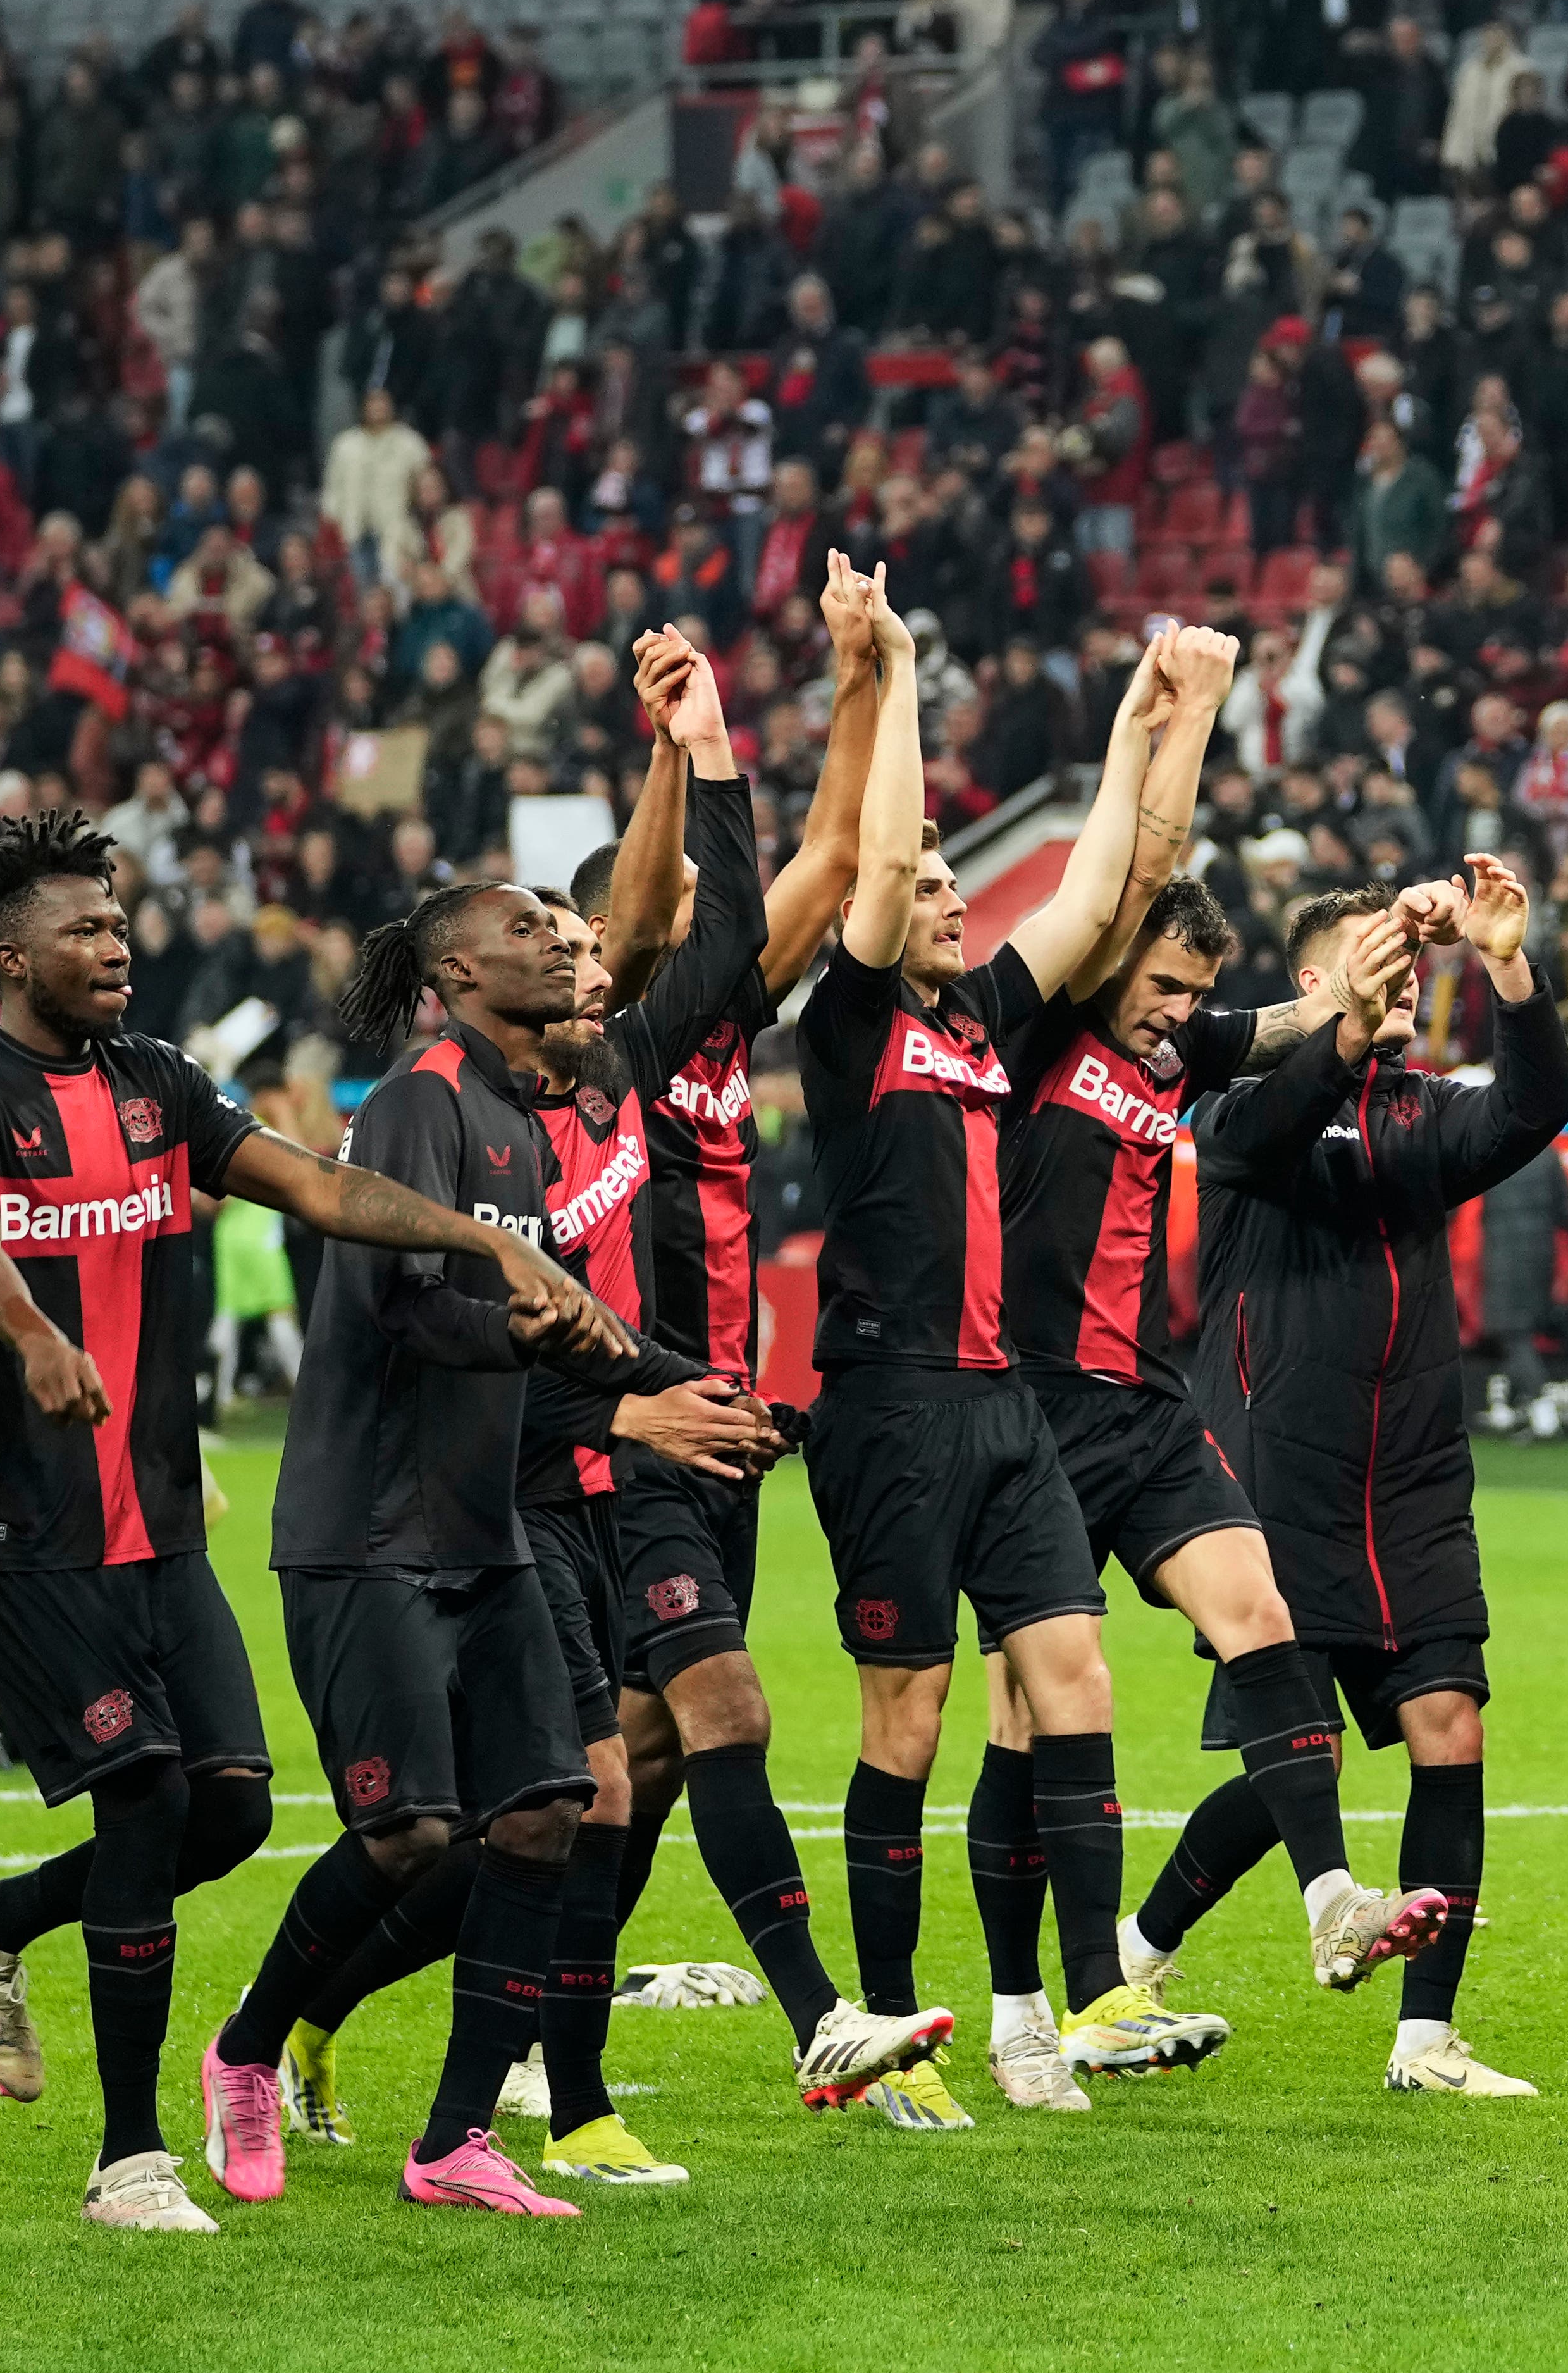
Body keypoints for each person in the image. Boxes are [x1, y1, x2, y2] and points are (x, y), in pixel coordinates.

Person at [0, 814, 619, 2231]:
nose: (116, 944)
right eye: (85, 929)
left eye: (119, 923)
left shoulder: (164, 1084)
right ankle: (129, 2157)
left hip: (160, 1520)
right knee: (151, 1795)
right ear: (8, 952)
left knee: (226, 1809)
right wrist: (37, 1337)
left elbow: (323, 1183)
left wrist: (489, 1237)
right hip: (19, 1528)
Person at [262, 638, 783, 2190]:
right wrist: (626, 1409)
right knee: (518, 1809)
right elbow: (434, 1319)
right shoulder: (430, 1103)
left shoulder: (609, 1073)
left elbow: (725, 924)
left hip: (573, 1472)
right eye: (545, 933)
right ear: (468, 977)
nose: (584, 951)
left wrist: (703, 746)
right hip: (484, 1492)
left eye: (581, 934)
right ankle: (362, 2050)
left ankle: (435, 2088)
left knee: (568, 1803)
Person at [791, 578, 1220, 2126]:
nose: (954, 895)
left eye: (963, 883)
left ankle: (1097, 1986)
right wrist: (895, 670)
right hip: (887, 1408)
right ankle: (891, 2030)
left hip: (1002, 1406)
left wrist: (1133, 728)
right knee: (903, 1721)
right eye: (932, 886)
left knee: (1076, 1673)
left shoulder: (975, 1020)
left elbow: (1101, 894)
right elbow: (882, 846)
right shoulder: (847, 1025)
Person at [564, 559, 898, 2073]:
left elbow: (827, 861)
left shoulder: (717, 1016)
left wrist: (853, 673)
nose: (723, 928)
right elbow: (728, 890)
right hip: (636, 1429)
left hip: (728, 1427)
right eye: (689, 907)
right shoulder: (607, 1040)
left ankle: (488, 2019)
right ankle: (822, 2015)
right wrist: (691, 757)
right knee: (725, 1712)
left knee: (636, 1754)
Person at [1186, 865, 1568, 2093]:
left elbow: (1532, 1110)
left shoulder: (1421, 1107)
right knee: (1297, 1760)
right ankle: (1138, 1947)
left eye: (1406, 958)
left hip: (1411, 1473)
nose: (1401, 967)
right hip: (1277, 1469)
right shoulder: (1239, 1097)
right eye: (1367, 953)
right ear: (1309, 983)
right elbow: (1255, 1140)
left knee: (1449, 1725)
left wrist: (1508, 966)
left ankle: (1426, 2038)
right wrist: (1341, 1030)